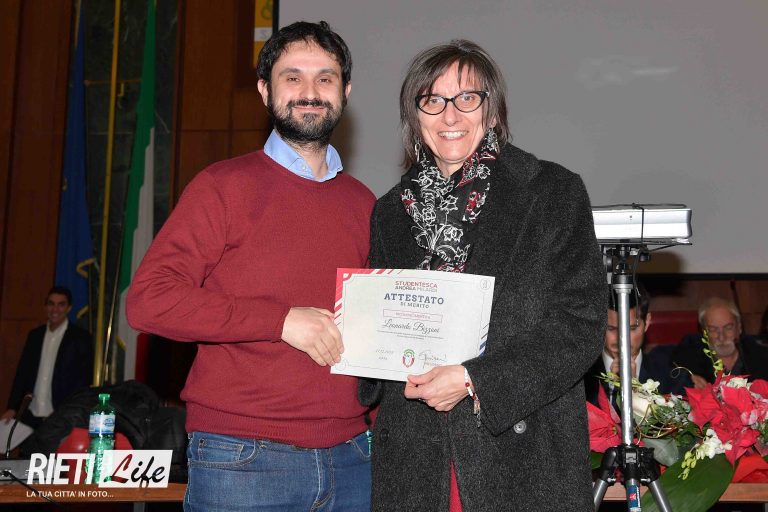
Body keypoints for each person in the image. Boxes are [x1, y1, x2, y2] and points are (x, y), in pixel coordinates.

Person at [126, 21, 375, 512]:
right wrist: (280, 321)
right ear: (265, 90)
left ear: (345, 91)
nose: (310, 92)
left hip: (354, 459)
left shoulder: (366, 203)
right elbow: (149, 300)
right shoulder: (222, 187)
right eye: (292, 77)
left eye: (325, 78)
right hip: (243, 459)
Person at [359, 40, 606, 512]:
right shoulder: (390, 211)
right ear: (415, 116)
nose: (450, 115)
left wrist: (476, 380)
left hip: (523, 457)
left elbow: (579, 326)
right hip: (416, 460)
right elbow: (382, 337)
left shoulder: (553, 192)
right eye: (432, 100)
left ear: (491, 112)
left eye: (467, 98)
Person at [2, 286, 92, 433]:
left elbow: (83, 380)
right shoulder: (35, 336)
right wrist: (12, 407)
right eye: (51, 304)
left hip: (60, 416)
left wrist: (68, 412)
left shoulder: (80, 338)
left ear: (69, 308)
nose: (55, 309)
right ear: (45, 307)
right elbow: (22, 373)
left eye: (61, 304)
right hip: (30, 415)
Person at [585, 286, 691, 408]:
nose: (622, 339)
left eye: (631, 328)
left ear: (647, 322)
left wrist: (634, 391)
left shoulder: (673, 377)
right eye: (611, 328)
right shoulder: (578, 378)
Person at [673, 297, 768, 387]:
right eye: (713, 329)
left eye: (728, 328)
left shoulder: (760, 356)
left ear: (739, 327)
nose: (722, 337)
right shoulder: (689, 358)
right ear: (703, 331)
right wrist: (688, 381)